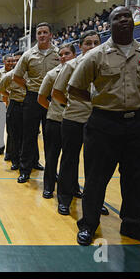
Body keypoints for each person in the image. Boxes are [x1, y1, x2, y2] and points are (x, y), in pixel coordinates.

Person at [68, 6, 140, 246]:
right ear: (108, 25)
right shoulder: (96, 55)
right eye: (117, 18)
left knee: (136, 177)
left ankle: (133, 224)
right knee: (96, 177)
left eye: (127, 17)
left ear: (133, 22)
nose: (123, 20)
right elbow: (74, 87)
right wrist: (100, 102)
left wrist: (137, 100)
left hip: (137, 123)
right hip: (103, 123)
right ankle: (89, 225)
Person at [51, 31, 102, 211]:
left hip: (98, 121)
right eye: (88, 43)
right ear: (80, 46)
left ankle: (94, 201)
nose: (93, 47)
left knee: (95, 165)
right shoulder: (71, 65)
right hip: (73, 119)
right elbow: (56, 92)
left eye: (96, 43)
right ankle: (64, 199)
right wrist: (71, 104)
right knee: (69, 160)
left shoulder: (106, 66)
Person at [12, 22, 61, 183]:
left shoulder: (59, 53)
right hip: (32, 98)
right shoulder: (28, 55)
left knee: (51, 137)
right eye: (39, 33)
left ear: (51, 35)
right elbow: (16, 76)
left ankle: (52, 171)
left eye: (45, 32)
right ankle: (25, 170)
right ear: (36, 36)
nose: (42, 35)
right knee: (29, 135)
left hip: (52, 99)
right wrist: (28, 86)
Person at [37, 43, 76, 201]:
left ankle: (72, 187)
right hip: (55, 120)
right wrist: (54, 108)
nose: (63, 57)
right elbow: (41, 98)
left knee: (71, 158)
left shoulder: (84, 71)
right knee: (52, 156)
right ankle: (48, 186)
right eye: (61, 54)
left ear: (74, 54)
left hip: (75, 121)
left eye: (67, 53)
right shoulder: (52, 74)